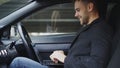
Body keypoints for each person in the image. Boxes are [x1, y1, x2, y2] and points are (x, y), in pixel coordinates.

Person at [9, 0, 113, 68]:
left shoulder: (101, 30)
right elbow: (82, 53)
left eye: (78, 10)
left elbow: (97, 64)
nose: (75, 15)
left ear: (90, 7)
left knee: (18, 63)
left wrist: (64, 58)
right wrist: (63, 55)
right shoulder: (90, 27)